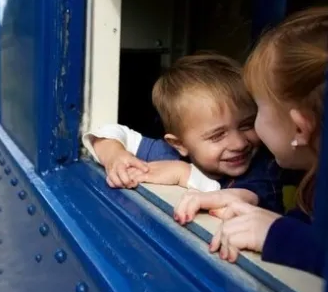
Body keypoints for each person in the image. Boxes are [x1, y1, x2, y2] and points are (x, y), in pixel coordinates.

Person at [173, 6, 328, 276]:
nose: (239, 142)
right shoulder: (315, 185)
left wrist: (282, 238)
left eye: (256, 110)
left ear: (300, 129)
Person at [82, 54, 284, 213]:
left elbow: (239, 200)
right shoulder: (168, 152)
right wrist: (115, 156)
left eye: (246, 125)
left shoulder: (263, 168)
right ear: (179, 144)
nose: (239, 143)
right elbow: (108, 132)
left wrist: (183, 173)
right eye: (217, 135)